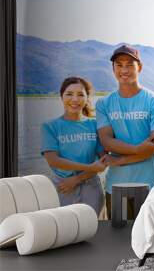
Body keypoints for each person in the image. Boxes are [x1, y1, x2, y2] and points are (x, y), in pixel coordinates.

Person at [96, 45, 154, 219]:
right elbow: (106, 140)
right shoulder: (104, 104)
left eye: (129, 65)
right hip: (115, 185)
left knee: (150, 241)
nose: (124, 70)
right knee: (117, 240)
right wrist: (137, 149)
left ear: (139, 68)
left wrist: (120, 160)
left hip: (149, 184)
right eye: (119, 65)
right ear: (113, 69)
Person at [41, 77, 106, 216]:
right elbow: (53, 160)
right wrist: (89, 167)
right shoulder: (50, 126)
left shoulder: (95, 125)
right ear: (61, 96)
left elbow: (102, 161)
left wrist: (77, 179)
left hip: (91, 187)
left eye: (81, 94)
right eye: (69, 94)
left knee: (90, 229)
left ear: (87, 98)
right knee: (63, 231)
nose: (75, 99)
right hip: (62, 187)